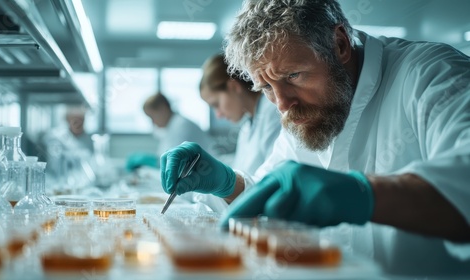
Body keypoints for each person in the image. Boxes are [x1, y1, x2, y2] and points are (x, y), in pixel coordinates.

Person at [159, 0, 470, 276]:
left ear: (339, 44)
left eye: (293, 76)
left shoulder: (432, 75)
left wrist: (363, 195)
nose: (282, 103)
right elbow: (269, 192)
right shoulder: (301, 112)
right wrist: (227, 182)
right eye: (266, 88)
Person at [200, 53, 281, 175]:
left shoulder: (272, 111)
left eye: (216, 104)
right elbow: (241, 173)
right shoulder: (247, 127)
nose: (218, 114)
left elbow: (272, 177)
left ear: (233, 86)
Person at [126, 92, 214, 170]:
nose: (153, 122)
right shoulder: (172, 126)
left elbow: (171, 161)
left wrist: (150, 161)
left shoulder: (181, 125)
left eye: (152, 117)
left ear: (162, 109)